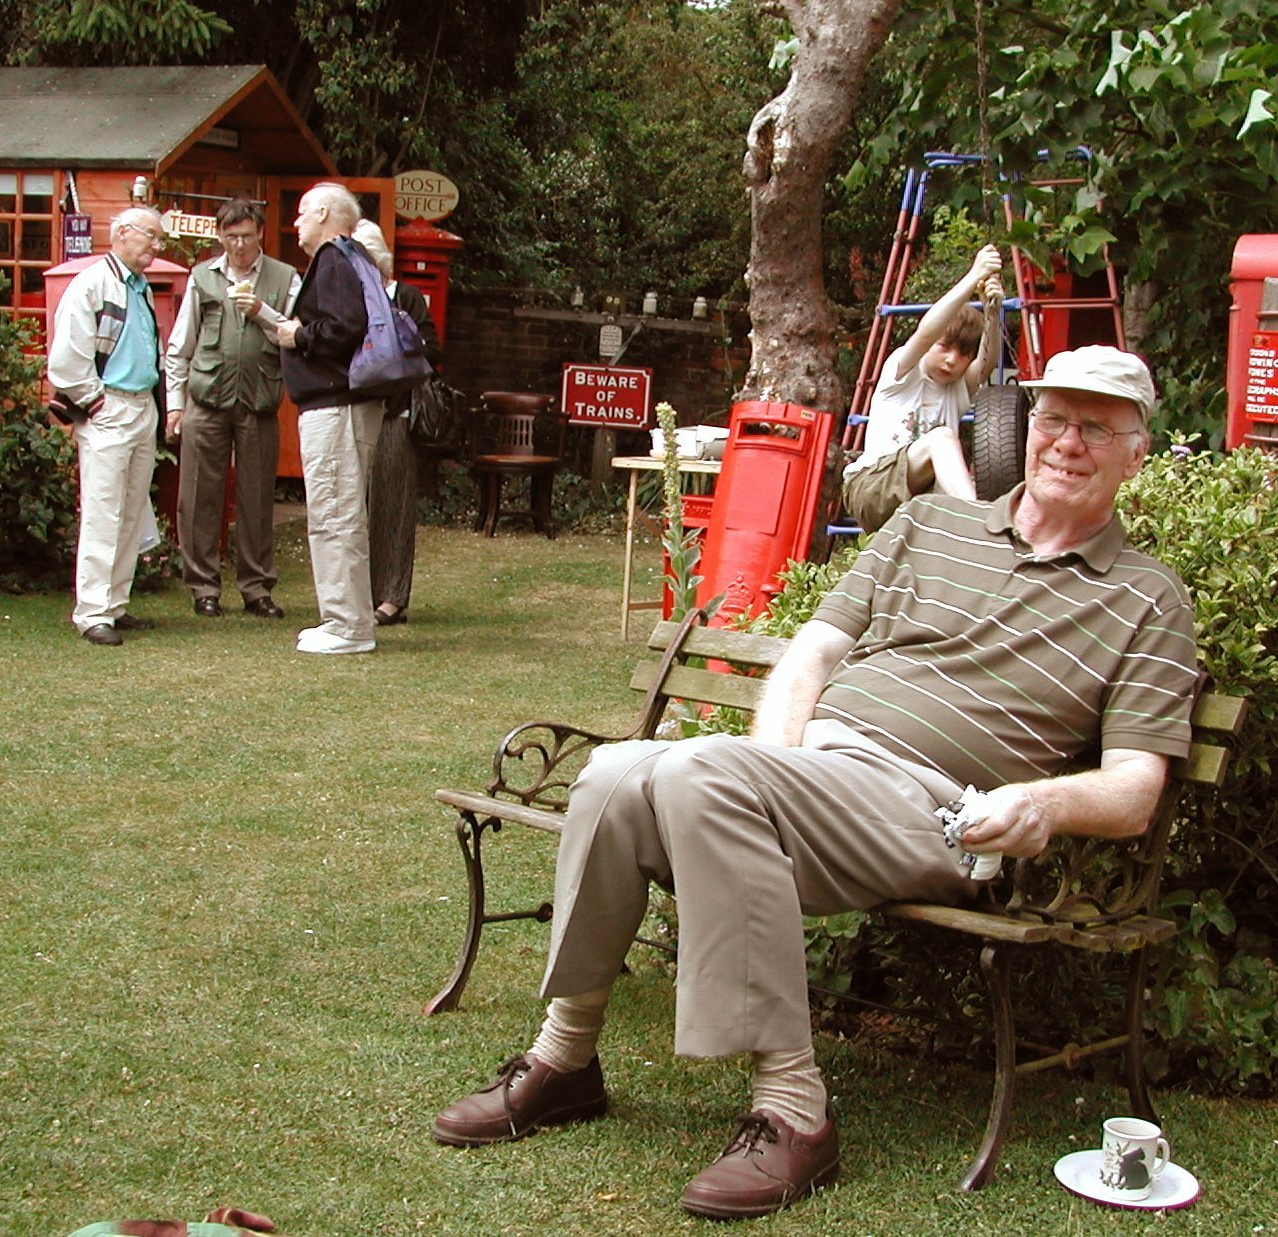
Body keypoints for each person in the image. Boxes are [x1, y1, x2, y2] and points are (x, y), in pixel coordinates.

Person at [431, 345, 1199, 1220]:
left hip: (934, 808)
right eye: (1053, 420)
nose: (1067, 442)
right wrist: (782, 762)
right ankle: (564, 1060)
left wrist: (1042, 802)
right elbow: (812, 654)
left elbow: (1136, 787)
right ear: (1025, 431)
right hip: (820, 769)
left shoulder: (1146, 599)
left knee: (699, 774)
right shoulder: (927, 526)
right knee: (610, 773)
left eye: (1096, 428)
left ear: (1136, 453)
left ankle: (795, 1111)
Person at [163, 198, 300, 621]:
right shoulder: (203, 277)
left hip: (258, 400)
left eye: (246, 235)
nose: (239, 245)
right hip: (206, 398)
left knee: (257, 497)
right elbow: (179, 346)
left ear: (260, 233)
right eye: (231, 236)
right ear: (220, 236)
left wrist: (260, 311)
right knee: (199, 495)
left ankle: (256, 588)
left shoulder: (285, 277)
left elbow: (293, 335)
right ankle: (203, 588)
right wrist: (174, 405)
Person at [48, 206, 167, 647]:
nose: (156, 246)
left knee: (132, 510)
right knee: (104, 511)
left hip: (140, 407)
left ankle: (115, 605)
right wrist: (96, 403)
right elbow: (66, 359)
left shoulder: (141, 288)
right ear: (121, 234)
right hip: (110, 407)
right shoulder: (92, 284)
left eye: (160, 239)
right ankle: (93, 611)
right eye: (150, 236)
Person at [274, 183, 379, 655]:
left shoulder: (336, 257)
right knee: (335, 513)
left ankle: (348, 627)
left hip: (336, 407)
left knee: (335, 514)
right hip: (339, 407)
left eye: (300, 213)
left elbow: (343, 328)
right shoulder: (350, 257)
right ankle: (342, 619)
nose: (295, 222)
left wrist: (299, 334)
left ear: (322, 212)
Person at [842, 243, 1004, 532]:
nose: (952, 360)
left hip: (917, 497)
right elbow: (927, 331)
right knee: (942, 439)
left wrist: (992, 311)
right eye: (944, 347)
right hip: (872, 486)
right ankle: (979, 524)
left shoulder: (956, 389)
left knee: (954, 481)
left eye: (963, 355)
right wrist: (973, 276)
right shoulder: (903, 372)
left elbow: (986, 362)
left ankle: (971, 536)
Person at [350, 219, 442, 627]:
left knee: (392, 505)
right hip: (354, 410)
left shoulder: (405, 297)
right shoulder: (350, 300)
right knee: (355, 506)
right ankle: (358, 592)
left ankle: (392, 596)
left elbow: (431, 349)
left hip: (395, 414)